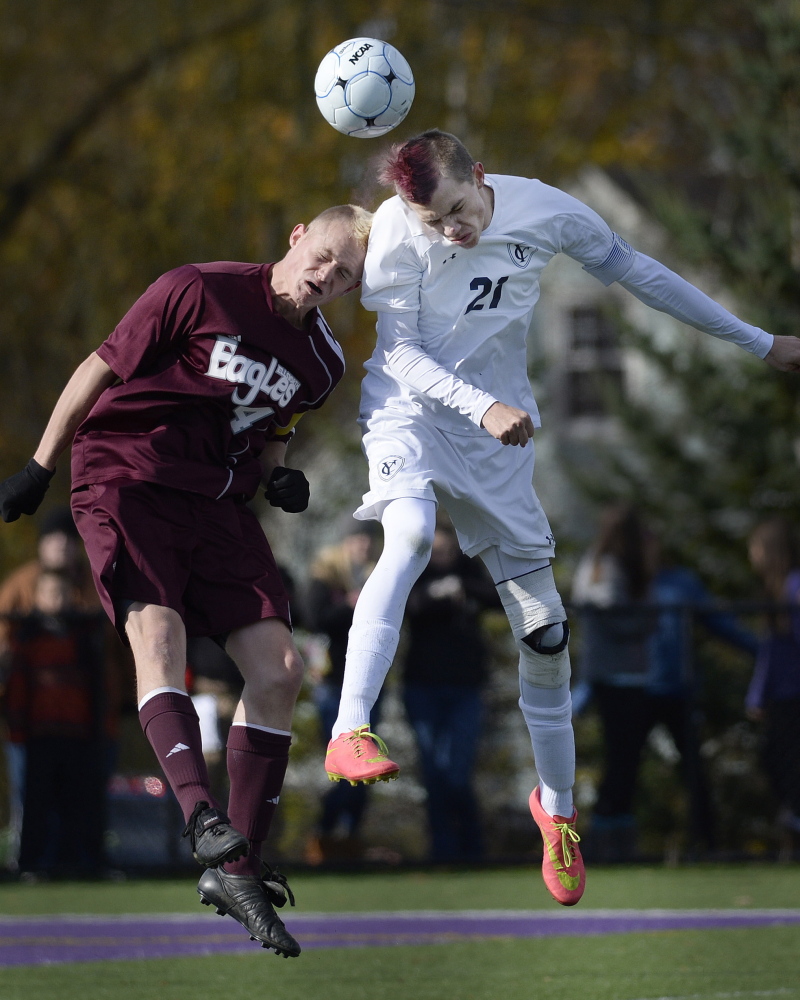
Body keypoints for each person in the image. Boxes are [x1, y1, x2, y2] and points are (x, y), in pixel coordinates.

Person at [322, 129, 800, 906]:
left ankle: (560, 812)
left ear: (481, 175)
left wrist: (758, 341)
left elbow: (643, 276)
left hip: (500, 439)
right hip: (415, 415)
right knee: (407, 538)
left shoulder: (547, 210)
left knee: (544, 634)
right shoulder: (397, 237)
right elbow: (403, 355)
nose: (453, 231)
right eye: (436, 222)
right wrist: (482, 407)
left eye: (459, 210)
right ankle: (349, 729)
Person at [0, 203, 371, 957]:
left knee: (281, 670)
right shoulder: (198, 288)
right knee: (158, 637)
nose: (326, 276)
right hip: (128, 478)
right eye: (325, 256)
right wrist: (41, 464)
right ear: (299, 235)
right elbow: (97, 367)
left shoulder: (324, 362)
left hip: (219, 504)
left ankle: (239, 867)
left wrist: (281, 481)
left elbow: (271, 437)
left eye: (345, 276)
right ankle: (203, 818)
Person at [402, 520, 499, 862]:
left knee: (457, 771)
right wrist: (440, 594)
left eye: (448, 550)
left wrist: (463, 587)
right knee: (433, 771)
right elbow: (409, 605)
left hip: (466, 687)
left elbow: (499, 598)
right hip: (422, 687)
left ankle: (473, 848)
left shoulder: (469, 572)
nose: (443, 556)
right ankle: (442, 850)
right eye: (436, 550)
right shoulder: (416, 574)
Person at [3, 569, 109, 877]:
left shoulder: (86, 634)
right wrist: (18, 728)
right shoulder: (26, 636)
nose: (57, 599)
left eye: (62, 593)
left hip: (78, 732)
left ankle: (79, 863)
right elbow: (18, 688)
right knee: (35, 803)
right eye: (50, 593)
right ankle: (31, 864)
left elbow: (98, 688)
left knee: (78, 801)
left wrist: (99, 728)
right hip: (38, 733)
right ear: (37, 597)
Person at [304, 521, 382, 862]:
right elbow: (314, 619)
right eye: (358, 539)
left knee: (367, 762)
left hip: (369, 680)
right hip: (333, 681)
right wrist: (351, 604)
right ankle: (325, 832)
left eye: (368, 540)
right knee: (340, 761)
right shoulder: (325, 578)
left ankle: (349, 835)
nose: (363, 546)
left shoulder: (375, 576)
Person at [746, 517, 800, 846]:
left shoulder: (794, 586)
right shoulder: (777, 591)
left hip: (795, 693)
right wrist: (757, 695)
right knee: (775, 758)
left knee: (784, 760)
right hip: (782, 693)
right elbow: (770, 653)